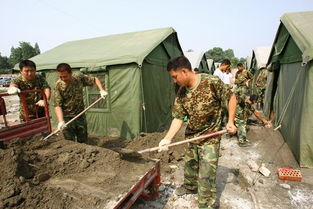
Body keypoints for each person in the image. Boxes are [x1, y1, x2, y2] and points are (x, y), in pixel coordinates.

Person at [158, 56, 237, 209]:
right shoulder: (181, 93)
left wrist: (230, 121)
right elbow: (178, 118)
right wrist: (167, 138)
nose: (174, 81)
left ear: (184, 71)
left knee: (206, 176)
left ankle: (207, 203)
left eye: (175, 77)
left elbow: (231, 97)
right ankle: (190, 186)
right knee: (190, 167)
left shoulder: (211, 82)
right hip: (192, 136)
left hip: (210, 137)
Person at [54, 63, 107, 144]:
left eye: (65, 76)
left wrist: (101, 90)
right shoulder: (58, 85)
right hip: (67, 117)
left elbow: (95, 79)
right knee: (69, 142)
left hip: (80, 115)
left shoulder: (78, 78)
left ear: (70, 73)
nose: (63, 79)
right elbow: (57, 105)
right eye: (60, 77)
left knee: (83, 140)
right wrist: (61, 121)